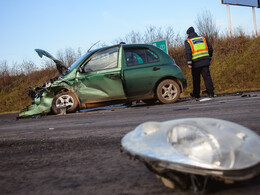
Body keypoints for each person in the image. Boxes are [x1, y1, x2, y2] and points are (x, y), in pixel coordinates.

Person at [184, 26, 214, 98]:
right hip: (205, 61)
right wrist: (209, 57)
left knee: (196, 79)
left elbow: (188, 52)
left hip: (195, 63)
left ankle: (196, 94)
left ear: (188, 34)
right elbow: (210, 48)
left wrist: (189, 63)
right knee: (207, 78)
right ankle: (210, 93)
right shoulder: (202, 39)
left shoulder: (188, 41)